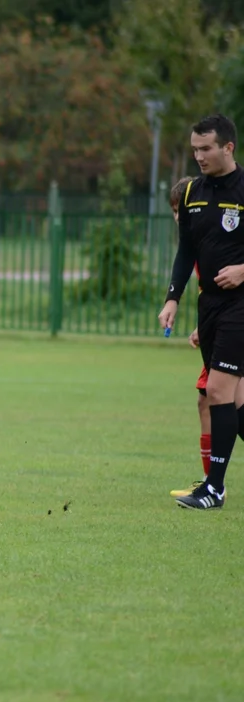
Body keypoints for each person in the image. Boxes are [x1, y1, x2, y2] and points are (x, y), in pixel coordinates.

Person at [159, 114, 244, 509]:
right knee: (236, 405)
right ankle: (214, 486)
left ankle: (213, 488)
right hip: (208, 304)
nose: (199, 156)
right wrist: (172, 298)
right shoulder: (192, 192)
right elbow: (186, 253)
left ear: (228, 147)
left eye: (206, 148)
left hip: (241, 307)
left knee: (215, 392)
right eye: (195, 149)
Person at [165, 176, 211, 497]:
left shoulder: (214, 237)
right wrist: (202, 326)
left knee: (223, 403)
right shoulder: (195, 247)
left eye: (180, 210)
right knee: (208, 401)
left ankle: (212, 485)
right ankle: (211, 483)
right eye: (174, 211)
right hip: (219, 324)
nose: (178, 217)